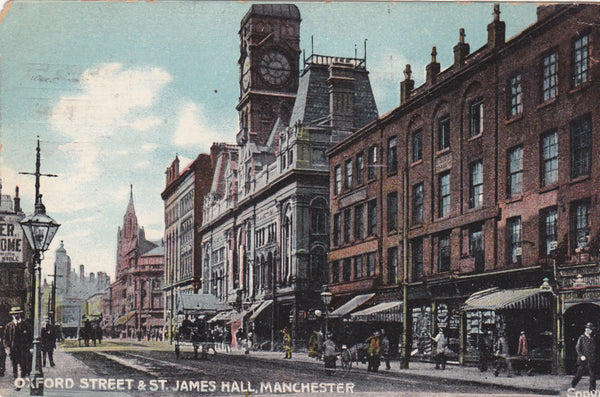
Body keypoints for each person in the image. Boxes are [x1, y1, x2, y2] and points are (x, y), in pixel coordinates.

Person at [3, 307, 32, 379]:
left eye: (17, 314)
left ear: (20, 314)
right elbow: (5, 338)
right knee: (14, 365)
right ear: (12, 315)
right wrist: (7, 348)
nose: (16, 315)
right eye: (14, 314)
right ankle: (16, 379)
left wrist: (30, 347)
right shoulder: (9, 326)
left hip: (23, 349)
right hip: (13, 349)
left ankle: (22, 379)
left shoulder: (26, 325)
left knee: (23, 365)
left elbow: (30, 337)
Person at [571, 322, 597, 392]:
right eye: (588, 329)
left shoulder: (592, 338)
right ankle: (573, 385)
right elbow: (577, 348)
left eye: (591, 329)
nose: (590, 331)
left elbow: (594, 349)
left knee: (592, 375)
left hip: (591, 359)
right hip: (583, 359)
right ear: (586, 329)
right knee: (579, 374)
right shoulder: (582, 337)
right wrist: (581, 355)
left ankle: (592, 389)